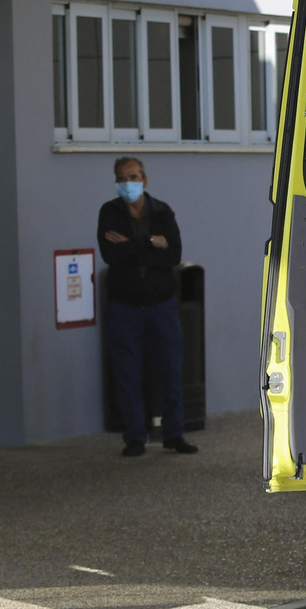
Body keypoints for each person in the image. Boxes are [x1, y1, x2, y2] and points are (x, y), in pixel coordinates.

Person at [98, 157, 197, 458]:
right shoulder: (109, 212)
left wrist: (131, 244)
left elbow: (174, 254)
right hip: (124, 306)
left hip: (160, 305)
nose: (128, 182)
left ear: (145, 180)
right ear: (117, 183)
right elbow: (110, 255)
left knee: (170, 369)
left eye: (133, 176)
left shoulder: (163, 211)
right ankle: (135, 438)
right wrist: (151, 243)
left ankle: (174, 434)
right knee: (128, 374)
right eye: (123, 178)